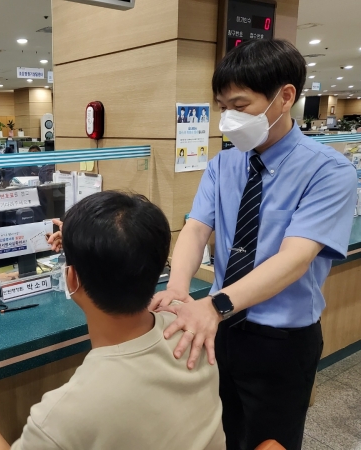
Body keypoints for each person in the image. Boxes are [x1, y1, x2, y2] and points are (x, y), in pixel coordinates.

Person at [150, 39, 358, 450]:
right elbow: (195, 229)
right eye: (222, 106)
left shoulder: (329, 171)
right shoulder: (222, 164)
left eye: (240, 105)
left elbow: (295, 259)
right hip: (222, 330)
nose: (228, 118)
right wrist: (176, 289)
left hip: (280, 341)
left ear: (285, 97)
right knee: (221, 433)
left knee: (270, 442)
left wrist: (216, 304)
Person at [0, 191, 225, 450]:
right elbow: (129, 244)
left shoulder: (67, 412)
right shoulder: (194, 332)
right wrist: (87, 246)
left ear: (72, 279)